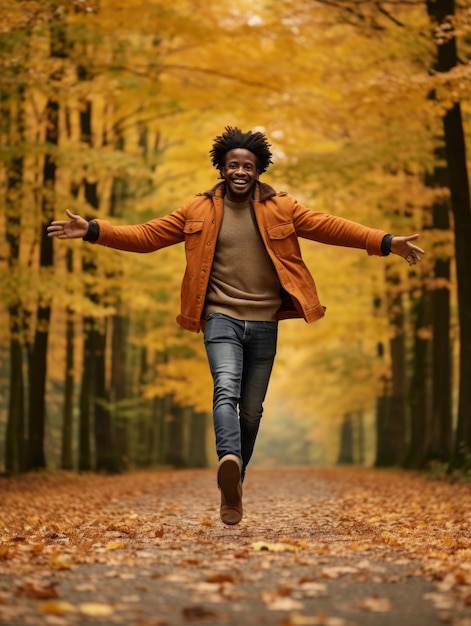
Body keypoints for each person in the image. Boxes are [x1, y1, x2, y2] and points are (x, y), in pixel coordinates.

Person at [47, 126, 424, 525]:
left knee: (253, 411)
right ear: (222, 169)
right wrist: (92, 229)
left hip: (264, 322)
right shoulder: (197, 210)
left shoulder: (283, 208)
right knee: (225, 387)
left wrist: (385, 242)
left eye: (248, 165)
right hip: (219, 317)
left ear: (258, 170)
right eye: (233, 165)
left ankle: (234, 485)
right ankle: (228, 458)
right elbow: (146, 236)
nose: (240, 171)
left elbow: (331, 226)